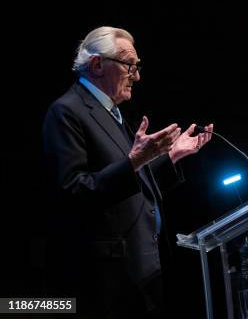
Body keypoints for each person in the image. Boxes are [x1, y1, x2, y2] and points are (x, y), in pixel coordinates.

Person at [42, 26, 213, 318]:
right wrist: (135, 161)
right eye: (129, 65)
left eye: (137, 67)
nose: (137, 76)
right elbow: (74, 191)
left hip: (141, 274)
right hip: (106, 282)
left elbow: (132, 184)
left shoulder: (112, 114)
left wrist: (171, 156)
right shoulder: (67, 111)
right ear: (97, 64)